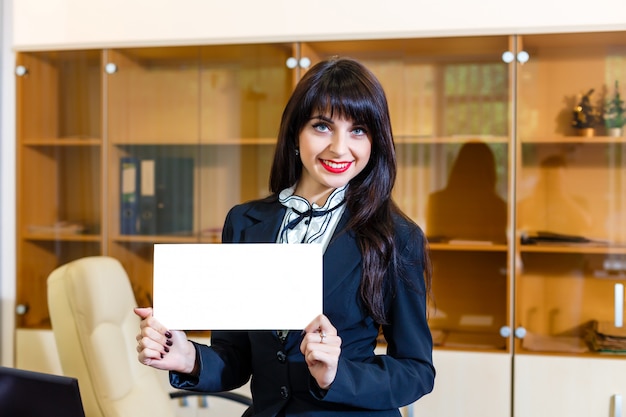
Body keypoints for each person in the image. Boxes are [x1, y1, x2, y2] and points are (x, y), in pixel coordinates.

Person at [135, 57, 435, 416]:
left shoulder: (397, 236)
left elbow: (416, 371)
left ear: (376, 141)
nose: (340, 148)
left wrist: (336, 374)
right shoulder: (246, 222)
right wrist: (187, 357)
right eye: (322, 126)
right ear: (296, 132)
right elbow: (236, 358)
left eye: (358, 130)